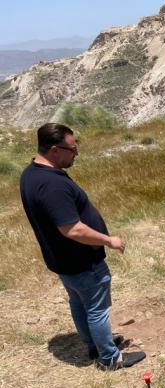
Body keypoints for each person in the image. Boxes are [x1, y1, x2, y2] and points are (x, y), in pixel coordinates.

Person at [20, 123, 146, 370]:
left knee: (80, 303)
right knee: (97, 309)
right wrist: (109, 240)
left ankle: (94, 345)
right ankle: (110, 357)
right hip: (81, 262)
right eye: (72, 149)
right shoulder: (51, 185)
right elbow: (72, 229)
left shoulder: (31, 173)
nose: (76, 154)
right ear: (55, 150)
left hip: (63, 261)